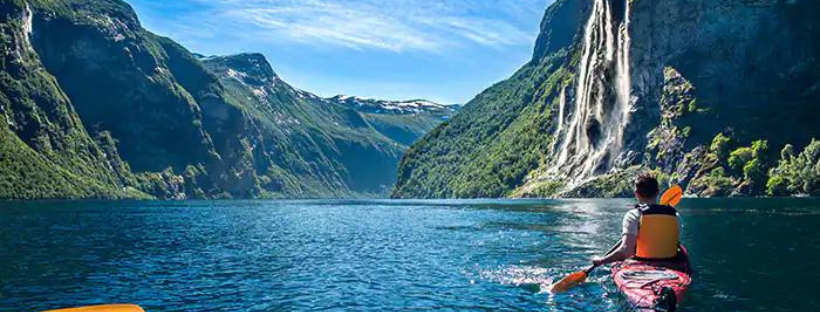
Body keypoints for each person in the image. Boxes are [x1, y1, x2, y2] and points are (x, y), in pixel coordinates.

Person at [592, 173, 684, 267]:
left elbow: (626, 252)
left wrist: (601, 261)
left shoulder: (633, 215)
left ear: (636, 194)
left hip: (641, 262)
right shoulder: (675, 215)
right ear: (657, 193)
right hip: (671, 262)